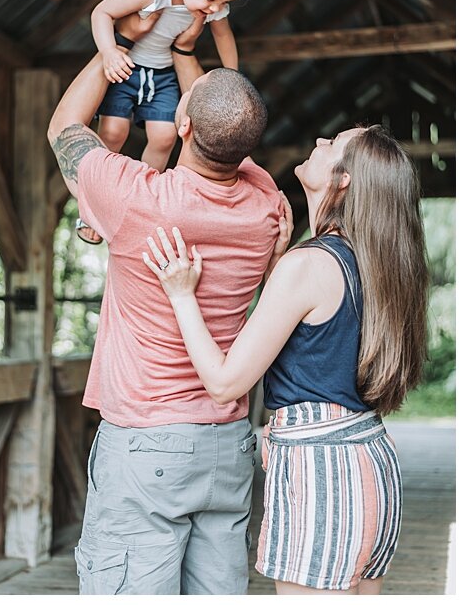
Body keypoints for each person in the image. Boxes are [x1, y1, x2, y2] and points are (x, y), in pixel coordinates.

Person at [145, 124, 428, 595]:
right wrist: (278, 265)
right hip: (368, 457)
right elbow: (321, 344)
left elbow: (224, 383)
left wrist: (181, 295)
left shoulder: (311, 265)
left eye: (331, 145)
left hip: (323, 470)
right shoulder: (370, 261)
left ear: (343, 180)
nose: (318, 143)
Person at [47, 53, 289, 595]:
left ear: (182, 125)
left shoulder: (136, 199)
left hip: (147, 441)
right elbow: (224, 134)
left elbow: (64, 127)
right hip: (227, 445)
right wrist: (187, 59)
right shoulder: (265, 204)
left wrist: (119, 41)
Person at [89, 0, 259, 177]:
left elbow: (224, 36)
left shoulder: (210, 5)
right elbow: (102, 12)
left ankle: (145, 192)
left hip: (163, 74)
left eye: (225, 2)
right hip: (126, 66)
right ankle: (96, 189)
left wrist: (231, 76)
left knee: (165, 137)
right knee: (113, 131)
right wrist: (109, 52)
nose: (216, 8)